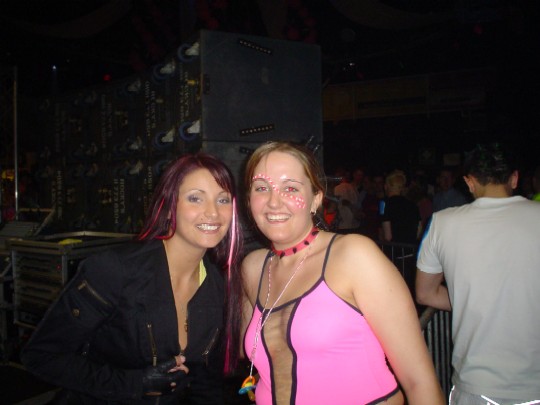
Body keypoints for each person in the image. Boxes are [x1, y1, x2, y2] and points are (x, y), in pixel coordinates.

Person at [21, 153, 244, 404]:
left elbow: (205, 380)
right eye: (195, 198)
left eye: (223, 200)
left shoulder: (219, 286)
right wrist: (134, 384)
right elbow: (42, 356)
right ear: (169, 207)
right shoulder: (115, 270)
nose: (213, 213)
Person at [240, 141, 444, 405]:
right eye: (261, 188)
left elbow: (420, 382)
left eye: (290, 188)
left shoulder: (353, 256)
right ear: (249, 200)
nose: (273, 201)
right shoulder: (253, 268)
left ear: (316, 199)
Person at [415, 143, 540, 404]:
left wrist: (472, 299)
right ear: (514, 179)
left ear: (470, 182)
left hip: (478, 384)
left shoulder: (442, 223)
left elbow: (425, 293)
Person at [380, 170, 422, 244]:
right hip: (411, 248)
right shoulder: (413, 205)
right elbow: (419, 233)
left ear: (386, 186)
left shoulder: (383, 204)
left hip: (393, 249)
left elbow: (387, 237)